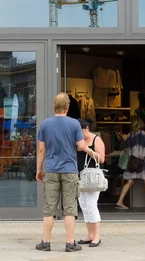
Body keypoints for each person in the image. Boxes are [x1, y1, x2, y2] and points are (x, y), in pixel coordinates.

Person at [35, 93, 96, 253]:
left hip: (52, 170)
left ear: (54, 106)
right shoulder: (74, 124)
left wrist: (39, 169)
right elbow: (82, 146)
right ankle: (70, 243)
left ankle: (46, 242)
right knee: (69, 208)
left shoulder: (45, 124)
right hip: (69, 170)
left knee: (49, 208)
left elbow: (41, 149)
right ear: (68, 106)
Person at [115, 117, 145, 210]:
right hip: (141, 162)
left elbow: (125, 147)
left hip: (132, 161)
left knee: (130, 181)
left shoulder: (129, 135)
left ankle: (120, 201)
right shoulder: (144, 134)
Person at [76, 118, 105, 248]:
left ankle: (96, 236)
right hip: (80, 176)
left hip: (92, 176)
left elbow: (102, 158)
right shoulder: (78, 140)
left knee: (92, 204)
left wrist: (86, 149)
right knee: (83, 205)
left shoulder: (96, 139)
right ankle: (90, 235)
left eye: (79, 130)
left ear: (86, 128)